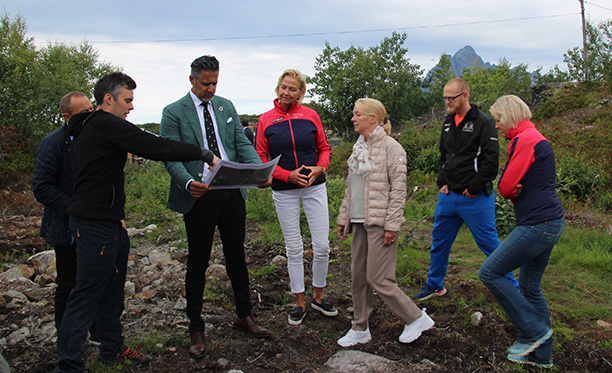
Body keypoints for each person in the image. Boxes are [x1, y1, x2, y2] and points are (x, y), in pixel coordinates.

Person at [55, 72, 218, 372]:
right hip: (94, 225)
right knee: (86, 294)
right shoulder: (104, 124)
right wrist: (201, 153)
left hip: (108, 221)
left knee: (112, 291)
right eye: (127, 100)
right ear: (108, 99)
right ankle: (67, 365)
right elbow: (154, 147)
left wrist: (116, 217)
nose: (131, 107)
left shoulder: (94, 127)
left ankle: (112, 348)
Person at [160, 55, 271, 359]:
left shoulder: (225, 106)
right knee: (198, 262)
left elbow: (240, 143)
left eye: (215, 82)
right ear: (192, 79)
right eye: (206, 83)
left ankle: (244, 315)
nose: (211, 88)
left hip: (232, 192)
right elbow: (170, 155)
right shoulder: (173, 112)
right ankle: (196, 328)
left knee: (237, 255)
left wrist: (258, 171)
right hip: (199, 195)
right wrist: (186, 183)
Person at [336, 98, 434, 347]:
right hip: (359, 221)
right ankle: (360, 328)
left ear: (373, 118)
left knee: (379, 278)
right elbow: (352, 188)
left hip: (380, 224)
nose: (353, 119)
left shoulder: (393, 148)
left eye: (357, 114)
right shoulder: (358, 148)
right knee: (358, 277)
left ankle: (415, 318)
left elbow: (399, 191)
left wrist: (392, 225)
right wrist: (343, 217)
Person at [413, 78, 518, 301]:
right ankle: (435, 285)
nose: (447, 102)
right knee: (439, 243)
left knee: (489, 244)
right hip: (448, 196)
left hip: (475, 198)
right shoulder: (448, 122)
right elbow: (443, 155)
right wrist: (441, 181)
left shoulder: (484, 122)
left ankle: (514, 288)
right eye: (445, 98)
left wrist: (474, 187)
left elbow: (490, 161)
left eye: (451, 97)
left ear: (465, 96)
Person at [479, 95, 564, 369]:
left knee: (490, 272)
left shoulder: (525, 139)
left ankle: (533, 331)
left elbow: (504, 186)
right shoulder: (532, 135)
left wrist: (512, 189)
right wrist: (515, 188)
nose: (497, 126)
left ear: (511, 115)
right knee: (529, 287)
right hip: (549, 221)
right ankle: (542, 356)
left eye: (499, 119)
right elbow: (514, 183)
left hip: (537, 224)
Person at [256, 69, 336, 326]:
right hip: (284, 191)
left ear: (301, 92)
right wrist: (285, 175)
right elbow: (261, 157)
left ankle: (319, 296)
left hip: (314, 187)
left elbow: (324, 148)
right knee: (294, 248)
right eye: (283, 87)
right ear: (277, 89)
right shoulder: (266, 119)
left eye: (292, 89)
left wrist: (320, 167)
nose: (286, 93)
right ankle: (299, 302)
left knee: (322, 245)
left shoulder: (311, 115)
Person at [32, 92, 94, 334]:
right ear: (67, 117)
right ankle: (65, 334)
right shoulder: (53, 143)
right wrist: (73, 209)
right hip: (65, 226)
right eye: (83, 113)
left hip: (92, 226)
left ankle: (96, 331)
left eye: (91, 110)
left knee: (93, 279)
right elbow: (42, 187)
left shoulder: (93, 138)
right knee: (68, 282)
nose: (89, 116)